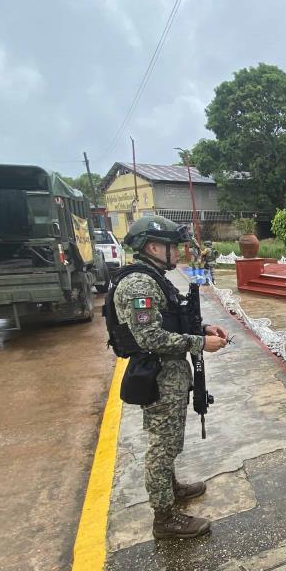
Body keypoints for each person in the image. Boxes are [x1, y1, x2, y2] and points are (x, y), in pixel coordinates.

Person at [110, 216, 229, 539]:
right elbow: (149, 337)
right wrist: (200, 343)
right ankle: (164, 518)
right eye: (171, 246)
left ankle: (170, 488)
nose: (176, 252)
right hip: (158, 374)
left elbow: (170, 321)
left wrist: (202, 328)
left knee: (170, 442)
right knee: (162, 446)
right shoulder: (138, 285)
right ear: (152, 247)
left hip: (170, 374)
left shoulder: (154, 278)